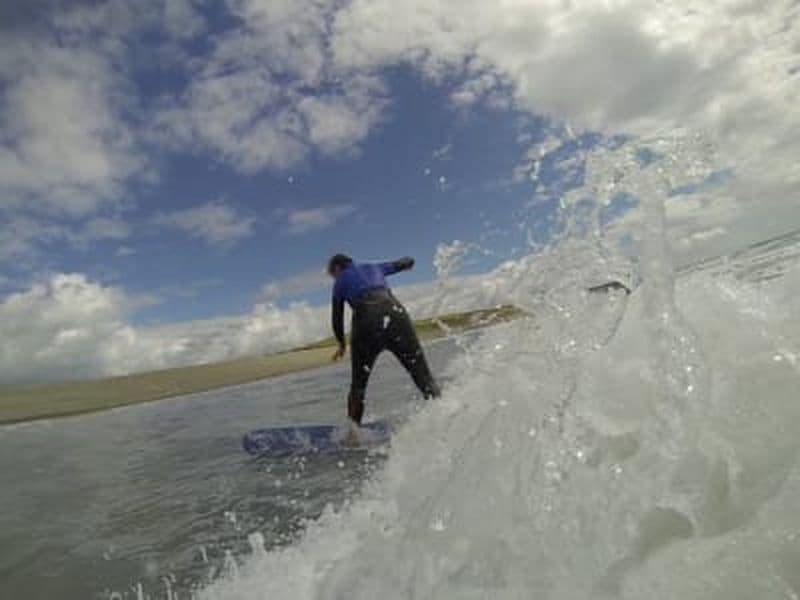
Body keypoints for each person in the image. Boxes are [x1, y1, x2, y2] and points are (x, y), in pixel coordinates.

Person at [327, 253, 441, 425]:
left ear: (337, 268)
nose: (334, 278)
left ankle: (353, 433)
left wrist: (342, 345)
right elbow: (405, 261)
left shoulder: (340, 282)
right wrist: (409, 264)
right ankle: (445, 417)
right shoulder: (374, 266)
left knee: (358, 385)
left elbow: (337, 318)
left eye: (332, 274)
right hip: (396, 315)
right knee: (424, 377)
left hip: (366, 321)